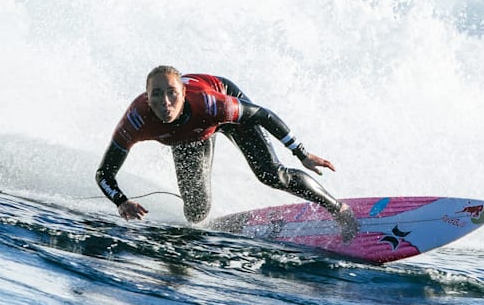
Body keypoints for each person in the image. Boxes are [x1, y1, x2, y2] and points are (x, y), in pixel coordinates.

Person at [95, 65, 358, 240]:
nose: (165, 102)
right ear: (147, 97)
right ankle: (222, 223)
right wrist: (121, 201)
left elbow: (264, 115)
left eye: (172, 94)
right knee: (196, 213)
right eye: (157, 95)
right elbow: (104, 173)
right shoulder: (136, 120)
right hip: (191, 136)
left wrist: (300, 152)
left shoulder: (212, 105)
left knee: (271, 175)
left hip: (222, 111)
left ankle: (338, 209)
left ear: (183, 93)